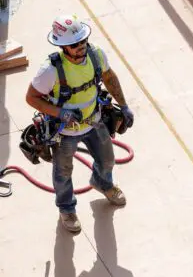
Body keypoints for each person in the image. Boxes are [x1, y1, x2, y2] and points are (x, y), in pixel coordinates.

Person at [25, 14, 134, 233]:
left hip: (94, 122)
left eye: (83, 41)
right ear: (64, 47)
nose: (81, 47)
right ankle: (66, 208)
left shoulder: (95, 55)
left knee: (107, 160)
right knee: (63, 173)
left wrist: (123, 105)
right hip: (65, 132)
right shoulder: (51, 70)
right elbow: (31, 98)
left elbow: (109, 77)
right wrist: (60, 112)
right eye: (75, 45)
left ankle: (103, 183)